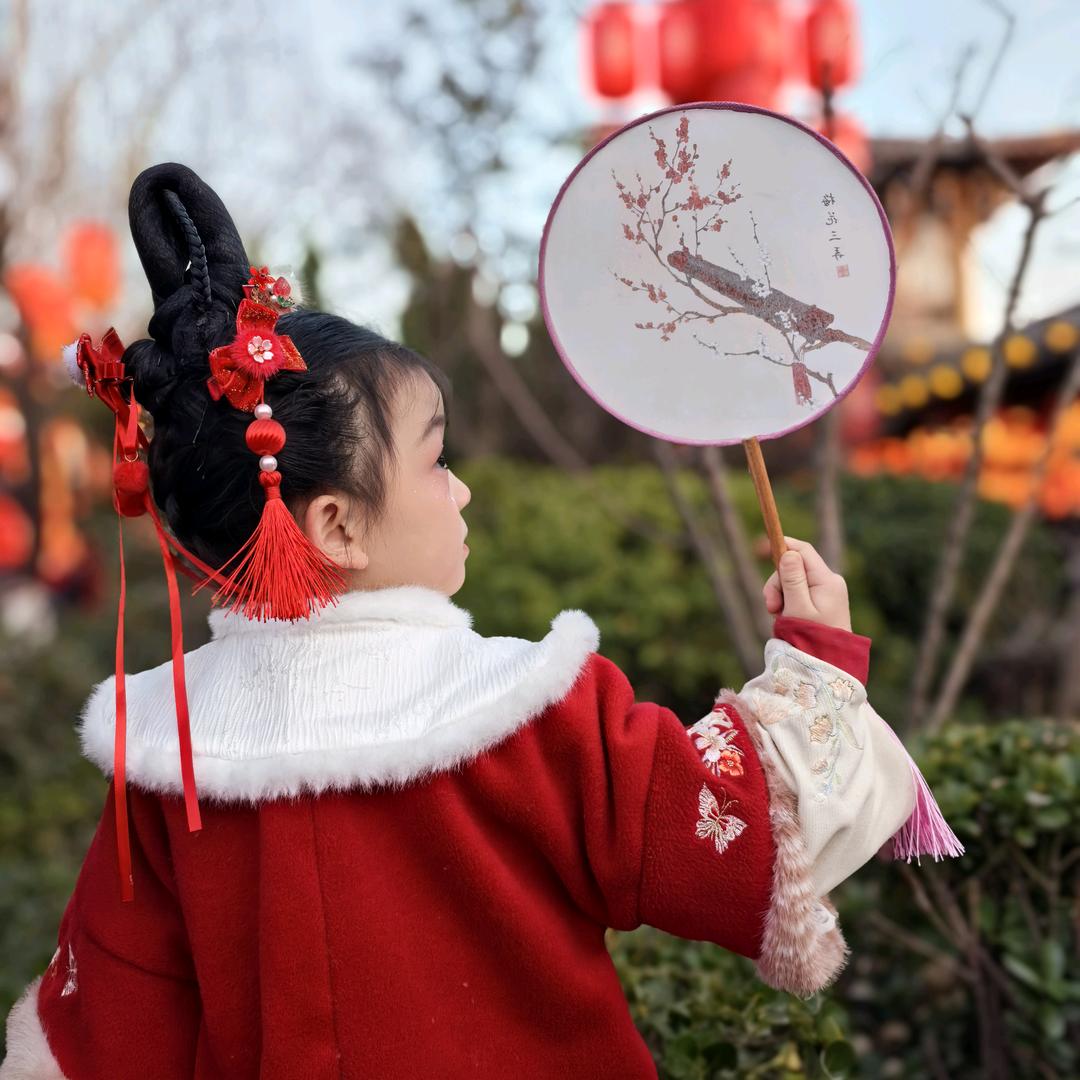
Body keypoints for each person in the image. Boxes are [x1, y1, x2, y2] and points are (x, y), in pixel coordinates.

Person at [0, 164, 955, 1080]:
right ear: (334, 526)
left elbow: (108, 1032)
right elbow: (746, 831)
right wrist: (813, 660)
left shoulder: (171, 755)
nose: (461, 492)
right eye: (435, 461)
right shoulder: (526, 710)